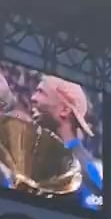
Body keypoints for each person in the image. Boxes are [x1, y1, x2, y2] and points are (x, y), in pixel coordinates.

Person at [30, 75, 102, 210]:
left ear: (64, 110)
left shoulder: (83, 167)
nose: (33, 98)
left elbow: (91, 213)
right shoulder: (48, 156)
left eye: (41, 93)